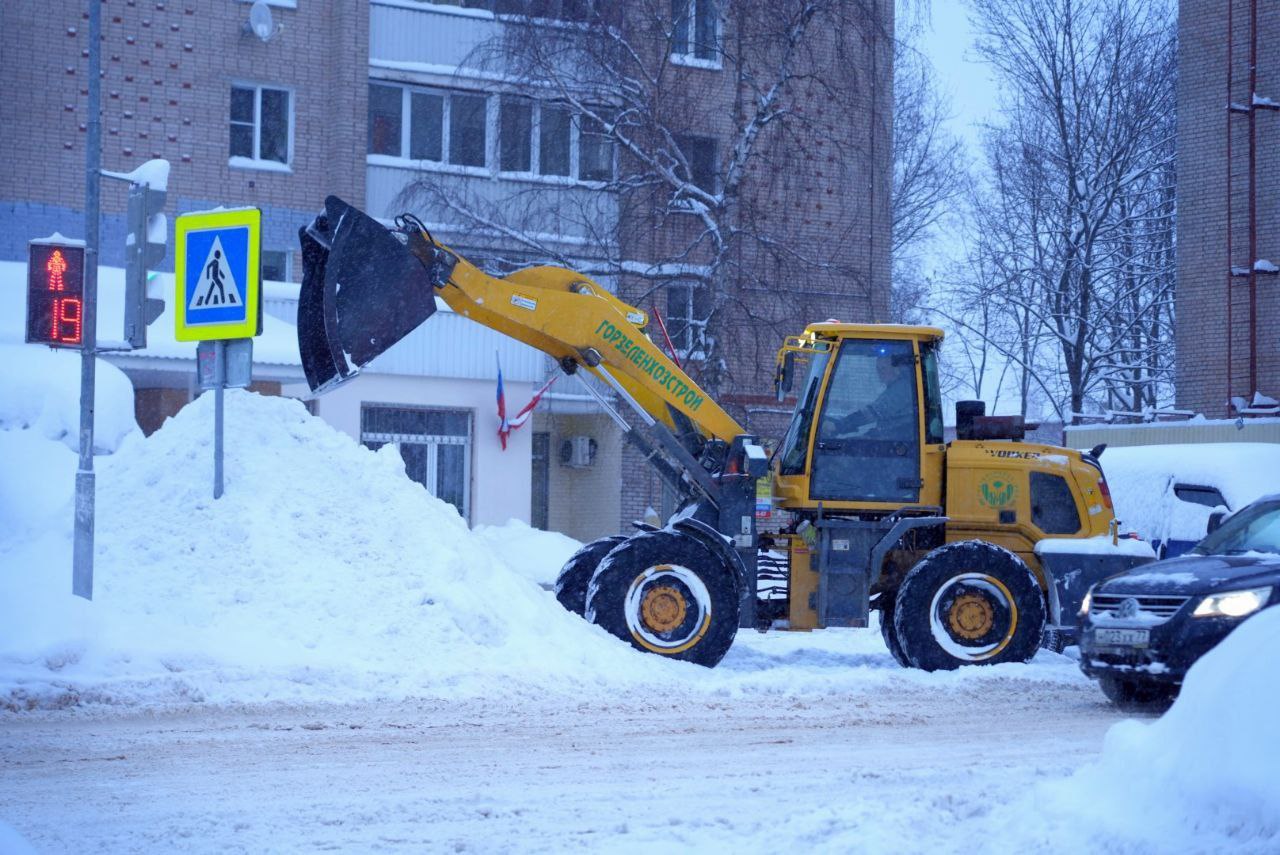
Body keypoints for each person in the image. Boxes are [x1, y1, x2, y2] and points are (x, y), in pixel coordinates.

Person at [826, 353, 915, 437]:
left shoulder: (901, 389)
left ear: (896, 370)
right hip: (893, 435)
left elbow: (873, 413)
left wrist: (839, 425)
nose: (880, 373)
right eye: (878, 369)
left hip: (898, 439)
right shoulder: (896, 387)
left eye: (883, 368)